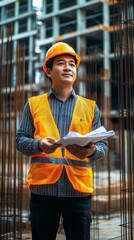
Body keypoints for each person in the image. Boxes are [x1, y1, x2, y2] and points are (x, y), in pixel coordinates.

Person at [16, 42, 108, 240]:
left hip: (78, 191)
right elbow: (20, 140)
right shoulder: (33, 104)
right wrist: (39, 144)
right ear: (49, 71)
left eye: (72, 64)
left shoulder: (91, 107)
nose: (67, 67)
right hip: (43, 190)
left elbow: (103, 146)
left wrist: (91, 152)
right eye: (61, 63)